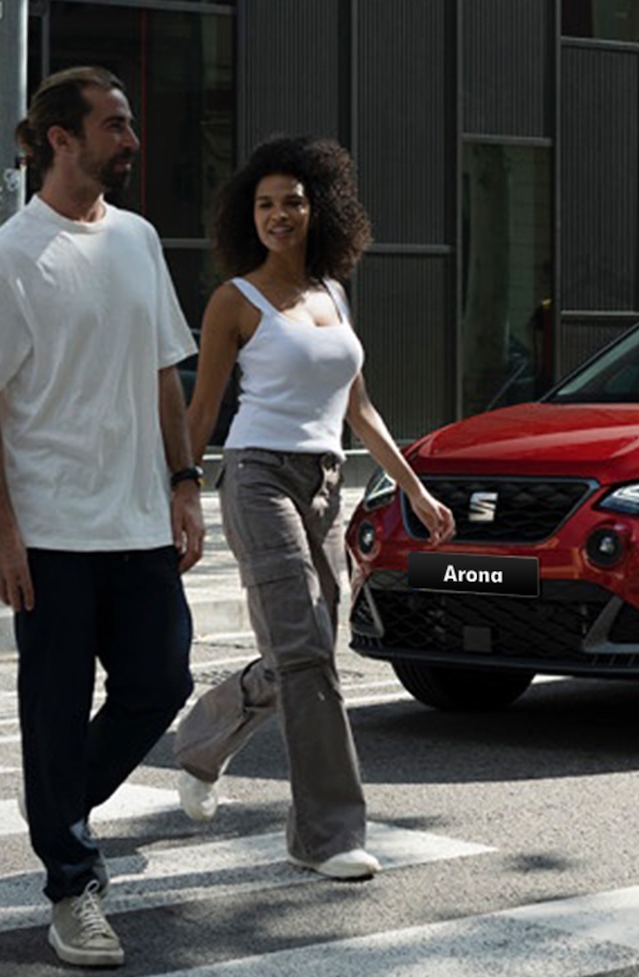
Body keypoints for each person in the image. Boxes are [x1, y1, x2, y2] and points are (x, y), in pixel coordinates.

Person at [0, 64, 205, 970]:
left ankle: (55, 801)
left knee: (160, 681)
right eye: (115, 124)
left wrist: (184, 480)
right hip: (52, 533)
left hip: (138, 520)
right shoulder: (9, 260)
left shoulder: (138, 240)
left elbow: (163, 370)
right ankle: (72, 883)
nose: (131, 139)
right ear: (62, 138)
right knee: (53, 712)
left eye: (129, 124)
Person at [167, 134, 449, 884]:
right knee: (303, 651)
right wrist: (179, 490)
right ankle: (326, 834)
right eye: (263, 204)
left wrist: (413, 486)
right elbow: (201, 409)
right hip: (257, 479)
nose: (278, 214)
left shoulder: (332, 294)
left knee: (309, 649)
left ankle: (199, 742)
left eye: (291, 200)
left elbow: (360, 407)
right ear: (247, 217)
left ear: (319, 206)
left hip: (326, 482)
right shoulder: (236, 299)